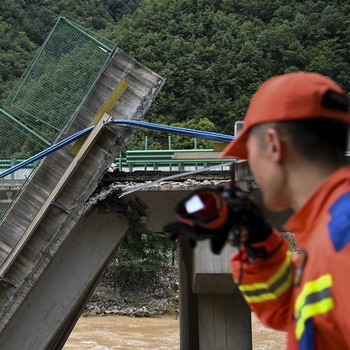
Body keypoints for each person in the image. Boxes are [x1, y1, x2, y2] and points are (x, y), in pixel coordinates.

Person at [218, 72, 350, 350]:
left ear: (273, 145)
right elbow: (294, 311)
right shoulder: (325, 230)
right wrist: (259, 244)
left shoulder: (341, 233)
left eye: (248, 154)